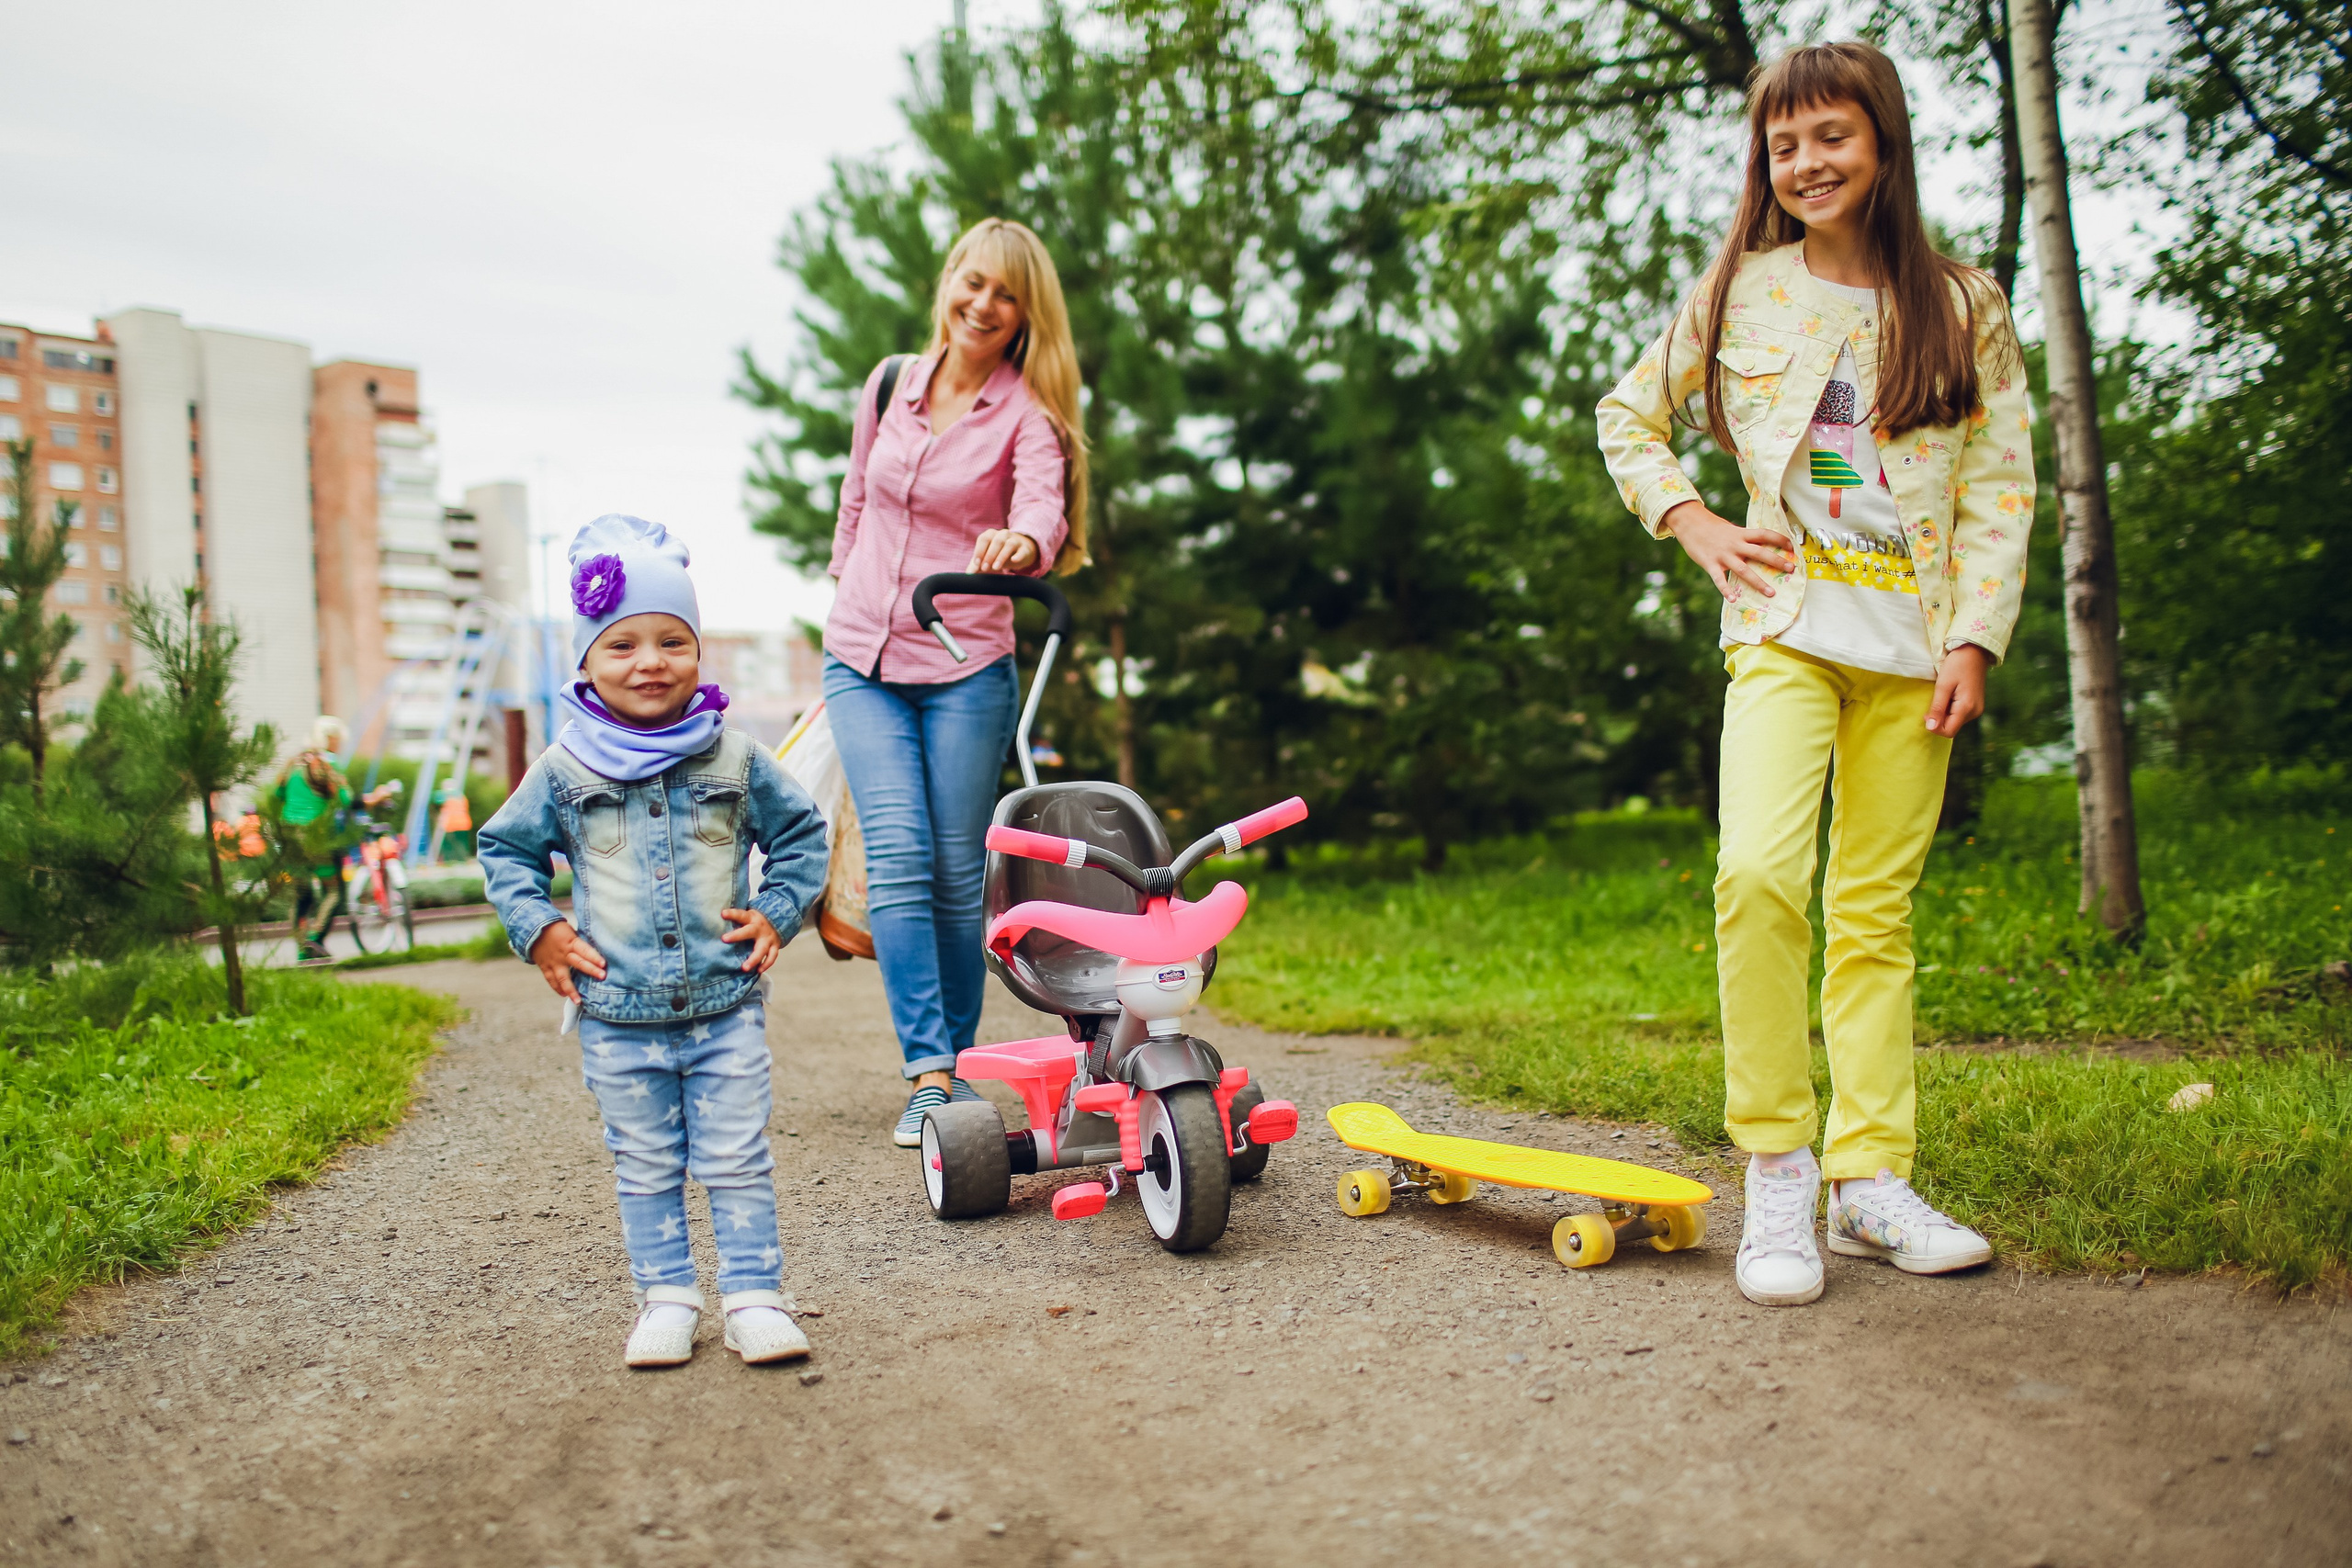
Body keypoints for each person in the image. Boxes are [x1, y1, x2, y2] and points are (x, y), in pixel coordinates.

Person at [1595, 41, 2033, 1306]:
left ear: (1882, 144)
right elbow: (1633, 415)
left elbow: (2005, 486)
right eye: (1785, 145)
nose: (1807, 163)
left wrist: (1977, 637)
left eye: (1831, 136)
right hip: (1783, 634)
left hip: (1915, 655)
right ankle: (1778, 1167)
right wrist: (1695, 524)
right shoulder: (1740, 290)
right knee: (1758, 875)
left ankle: (1871, 1183)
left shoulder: (1967, 306)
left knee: (1875, 917)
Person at [480, 514, 831, 1369]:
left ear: (698, 655)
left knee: (736, 1156)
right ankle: (667, 1296)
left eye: (673, 641)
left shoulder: (736, 759)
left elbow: (805, 835)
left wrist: (778, 911)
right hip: (615, 1015)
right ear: (588, 662)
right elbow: (506, 850)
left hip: (725, 1006)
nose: (649, 662)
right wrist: (545, 932)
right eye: (622, 643)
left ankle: (753, 1295)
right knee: (644, 1163)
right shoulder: (565, 770)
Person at [823, 216, 1091, 1146]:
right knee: (896, 859)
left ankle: (960, 1060)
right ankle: (929, 1076)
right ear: (949, 282)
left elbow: (1041, 511)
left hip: (964, 659)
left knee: (949, 868)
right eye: (972, 283)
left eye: (1005, 294)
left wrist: (1024, 542)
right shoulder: (890, 383)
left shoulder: (1029, 416)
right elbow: (857, 495)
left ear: (1026, 315)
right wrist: (841, 586)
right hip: (860, 655)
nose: (983, 304)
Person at [267, 717, 392, 961]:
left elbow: (277, 793)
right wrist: (377, 797)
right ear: (331, 739)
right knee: (334, 891)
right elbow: (349, 801)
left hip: (290, 837)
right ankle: (315, 938)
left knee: (302, 895)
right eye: (339, 740)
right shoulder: (326, 764)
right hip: (319, 837)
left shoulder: (293, 762)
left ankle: (303, 948)